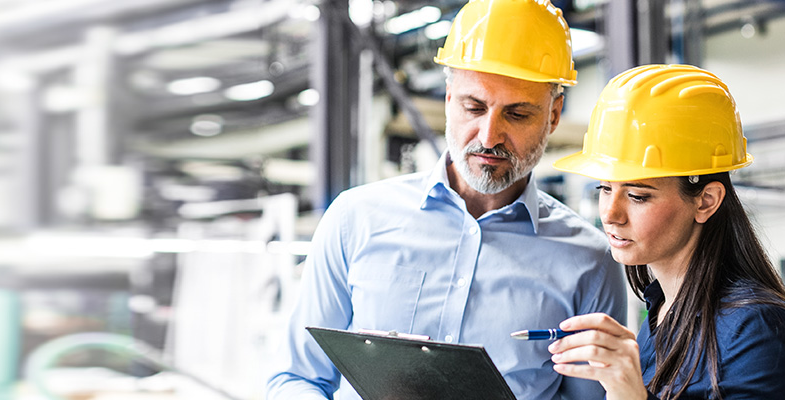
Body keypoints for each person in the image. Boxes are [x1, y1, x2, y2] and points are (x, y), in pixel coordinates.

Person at [265, 0, 626, 398]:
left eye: (518, 114)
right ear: (450, 98)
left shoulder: (590, 260)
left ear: (554, 114)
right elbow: (296, 379)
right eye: (474, 107)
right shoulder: (355, 219)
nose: (489, 136)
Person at [544, 64, 785, 399]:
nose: (610, 214)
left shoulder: (759, 332)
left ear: (706, 201)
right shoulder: (663, 313)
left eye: (637, 196)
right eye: (605, 189)